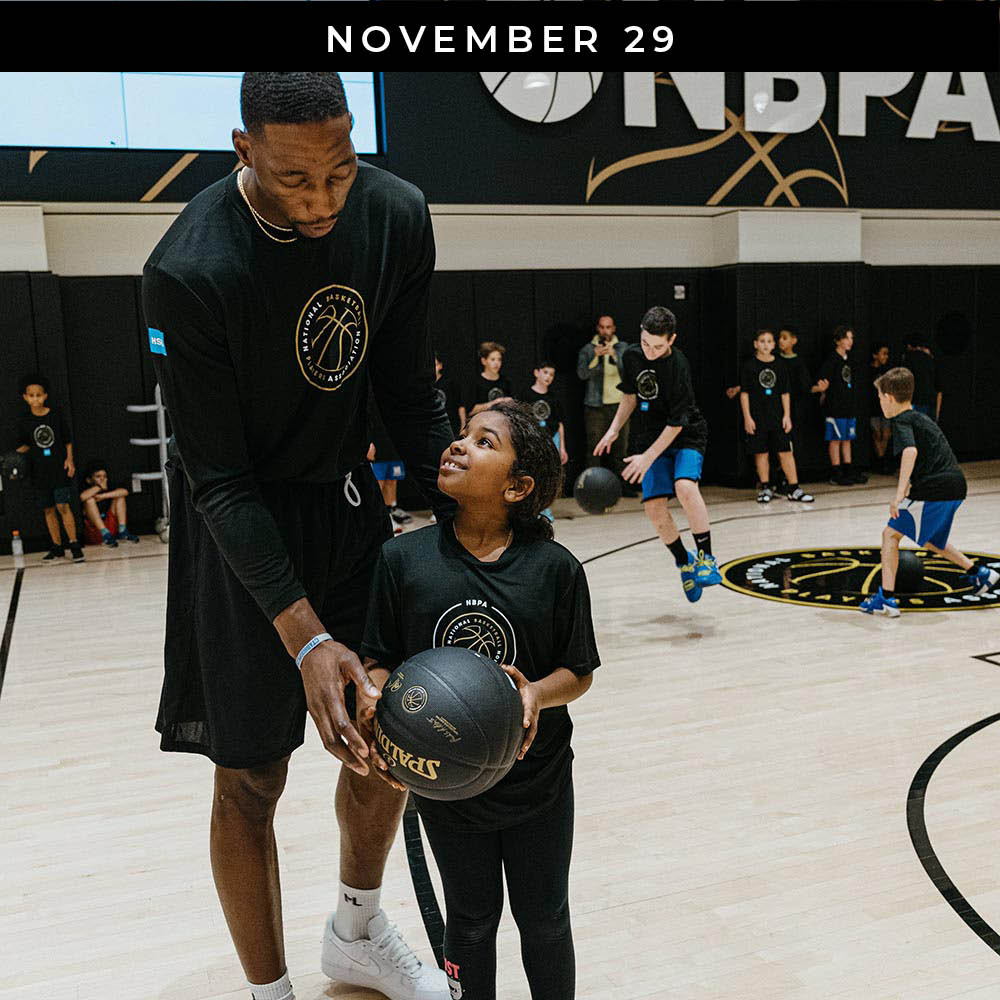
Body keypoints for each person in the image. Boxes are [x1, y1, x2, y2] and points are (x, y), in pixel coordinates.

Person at [142, 73, 454, 1000]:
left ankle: (357, 932)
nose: (322, 201)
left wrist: (472, 531)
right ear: (244, 151)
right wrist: (306, 636)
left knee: (389, 733)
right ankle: (268, 992)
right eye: (294, 179)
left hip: (348, 506)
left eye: (339, 170)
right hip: (239, 528)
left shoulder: (395, 216)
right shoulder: (189, 270)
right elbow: (218, 478)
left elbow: (409, 395)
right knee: (252, 779)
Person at [358, 400, 599, 1000]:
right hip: (447, 783)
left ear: (518, 487)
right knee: (469, 920)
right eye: (462, 434)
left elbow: (578, 673)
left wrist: (534, 692)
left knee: (545, 919)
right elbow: (378, 658)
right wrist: (381, 709)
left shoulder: (555, 570)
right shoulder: (402, 559)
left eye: (484, 441)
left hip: (538, 782)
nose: (458, 444)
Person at [594, 306, 720, 602]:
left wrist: (647, 457)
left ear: (671, 339)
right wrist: (613, 429)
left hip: (686, 432)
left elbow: (676, 423)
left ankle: (706, 558)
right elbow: (629, 396)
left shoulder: (679, 366)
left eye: (658, 346)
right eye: (646, 343)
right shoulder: (631, 356)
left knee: (685, 486)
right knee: (653, 508)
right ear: (641, 333)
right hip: (651, 435)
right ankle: (684, 562)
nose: (650, 352)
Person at [861, 367, 998, 617]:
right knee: (931, 539)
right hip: (955, 485)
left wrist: (898, 495)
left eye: (879, 397)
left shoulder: (901, 421)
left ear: (889, 397)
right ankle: (979, 573)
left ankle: (886, 599)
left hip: (938, 487)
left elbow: (910, 452)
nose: (879, 402)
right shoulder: (921, 418)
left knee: (890, 535)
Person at [15, 372, 84, 563]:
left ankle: (74, 544)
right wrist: (12, 458)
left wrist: (69, 460)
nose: (35, 399)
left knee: (63, 505)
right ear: (25, 397)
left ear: (45, 396)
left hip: (58, 468)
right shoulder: (24, 421)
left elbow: (67, 440)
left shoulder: (55, 415)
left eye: (39, 395)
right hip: (39, 471)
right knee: (48, 509)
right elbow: (25, 445)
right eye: (31, 395)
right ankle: (57, 547)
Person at [739, 330, 814, 503]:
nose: (765, 345)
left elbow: (785, 393)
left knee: (785, 451)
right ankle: (765, 487)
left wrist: (787, 416)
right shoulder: (749, 366)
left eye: (769, 341)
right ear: (755, 344)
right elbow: (745, 394)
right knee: (761, 453)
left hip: (777, 417)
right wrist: (747, 417)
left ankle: (794, 488)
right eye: (762, 341)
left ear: (773, 345)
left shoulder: (780, 365)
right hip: (758, 417)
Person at [576, 314, 633, 491]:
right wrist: (595, 356)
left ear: (614, 328)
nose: (605, 331)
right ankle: (593, 488)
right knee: (594, 448)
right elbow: (582, 374)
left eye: (608, 327)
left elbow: (628, 373)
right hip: (595, 406)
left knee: (621, 448)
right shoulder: (588, 349)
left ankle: (623, 486)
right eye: (602, 327)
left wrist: (614, 355)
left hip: (619, 405)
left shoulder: (623, 347)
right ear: (597, 329)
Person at [815, 325, 866, 485]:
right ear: (838, 341)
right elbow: (823, 383)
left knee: (847, 438)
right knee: (835, 439)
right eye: (846, 338)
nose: (850, 341)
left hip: (848, 406)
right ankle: (836, 472)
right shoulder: (831, 361)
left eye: (851, 338)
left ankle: (848, 470)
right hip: (835, 406)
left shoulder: (849, 360)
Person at [368, 389, 413, 531]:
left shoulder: (397, 395)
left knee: (392, 479)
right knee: (379, 481)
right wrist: (368, 443)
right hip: (376, 442)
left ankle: (391, 511)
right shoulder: (370, 394)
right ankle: (377, 516)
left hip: (393, 442)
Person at [79, 459, 141, 546]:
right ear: (89, 480)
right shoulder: (86, 488)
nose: (102, 479)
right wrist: (99, 487)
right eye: (98, 476)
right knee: (89, 501)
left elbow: (124, 492)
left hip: (110, 527)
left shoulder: (109, 485)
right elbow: (82, 497)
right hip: (95, 531)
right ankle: (104, 533)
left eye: (104, 476)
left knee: (119, 497)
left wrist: (103, 496)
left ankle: (123, 531)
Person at [461, 342, 512, 425]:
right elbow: (470, 411)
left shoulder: (505, 381)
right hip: (482, 424)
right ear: (484, 361)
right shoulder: (475, 382)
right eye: (493, 359)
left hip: (501, 424)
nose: (496, 363)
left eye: (499, 359)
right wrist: (494, 403)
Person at [902, 336, 942, 421]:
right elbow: (938, 387)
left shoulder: (908, 358)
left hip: (915, 401)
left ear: (909, 346)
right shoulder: (931, 359)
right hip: (930, 402)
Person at [869, 343, 892, 474]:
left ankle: (884, 460)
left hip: (886, 407)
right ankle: (880, 460)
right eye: (883, 353)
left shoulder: (887, 371)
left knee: (886, 434)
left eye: (887, 354)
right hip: (874, 407)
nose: (886, 357)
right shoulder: (869, 371)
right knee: (877, 434)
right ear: (875, 355)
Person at [434, 354, 461, 438]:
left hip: (451, 424)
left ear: (440, 366)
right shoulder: (425, 385)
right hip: (433, 425)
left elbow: (460, 405)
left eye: (435, 364)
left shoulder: (449, 382)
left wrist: (463, 425)